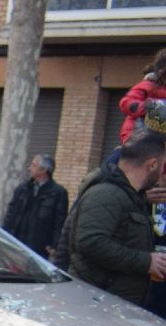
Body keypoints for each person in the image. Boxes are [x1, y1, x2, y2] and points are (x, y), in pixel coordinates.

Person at [61, 129, 166, 307]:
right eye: (163, 165)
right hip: (97, 306)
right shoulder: (106, 193)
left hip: (113, 304)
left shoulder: (132, 196)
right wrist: (147, 261)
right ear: (153, 164)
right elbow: (90, 242)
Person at [1, 154, 69, 259]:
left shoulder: (58, 193)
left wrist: (55, 245)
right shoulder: (22, 189)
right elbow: (11, 214)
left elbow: (59, 222)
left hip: (38, 246)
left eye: (33, 165)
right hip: (16, 242)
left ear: (44, 170)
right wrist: (3, 233)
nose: (29, 168)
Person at [117, 49, 166, 146]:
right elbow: (126, 102)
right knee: (118, 157)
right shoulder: (149, 85)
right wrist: (151, 109)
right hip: (137, 135)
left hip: (161, 139)